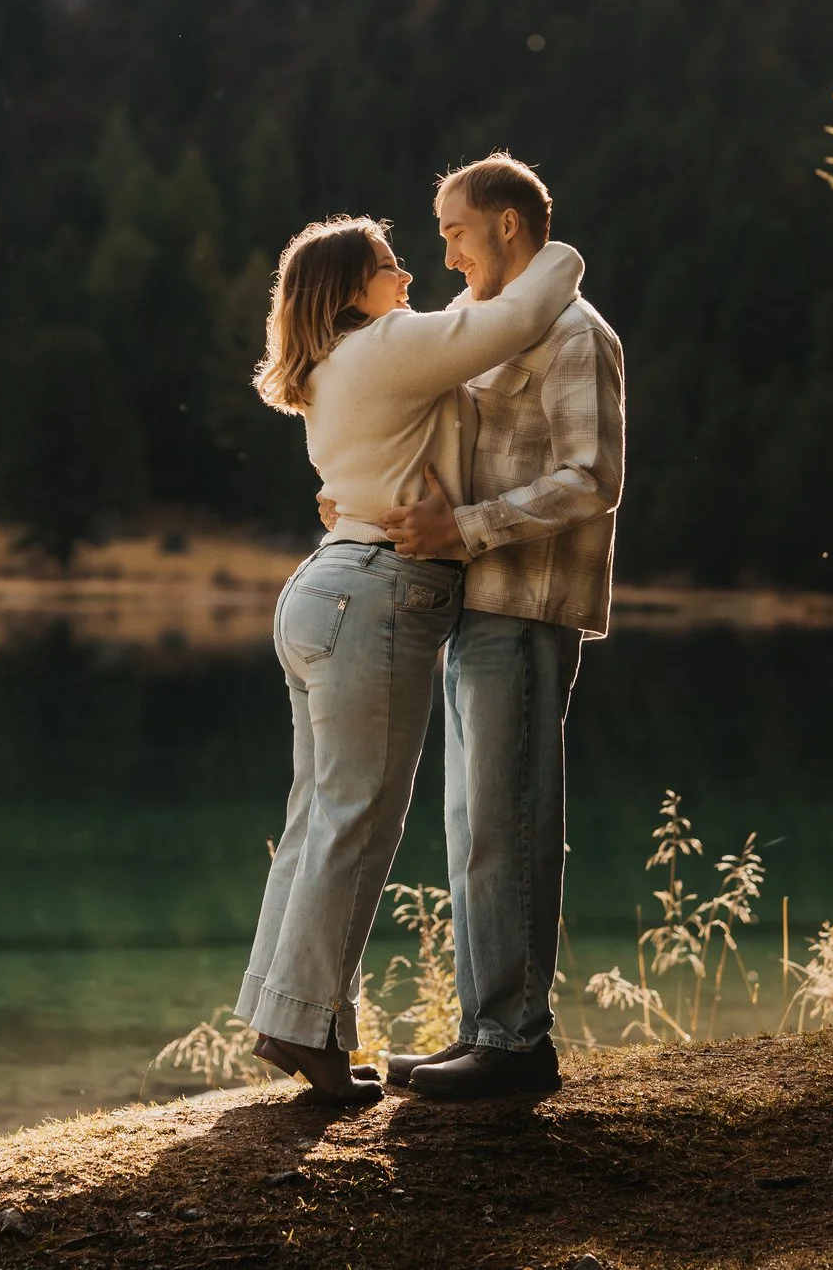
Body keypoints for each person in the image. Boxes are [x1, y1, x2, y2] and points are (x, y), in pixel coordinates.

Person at [238, 213, 585, 1104]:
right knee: (358, 818)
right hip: (376, 594)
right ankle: (307, 1025)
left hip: (326, 589)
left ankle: (285, 1011)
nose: (409, 277)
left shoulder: (331, 365)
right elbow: (514, 318)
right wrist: (562, 252)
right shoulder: (388, 344)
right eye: (391, 265)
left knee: (319, 813)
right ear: (353, 289)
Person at [368, 155, 626, 1102]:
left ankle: (518, 1046)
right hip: (475, 607)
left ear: (507, 224)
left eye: (455, 232)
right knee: (474, 826)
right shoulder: (493, 328)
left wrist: (463, 528)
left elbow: (592, 477)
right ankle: (484, 1029)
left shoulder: (574, 333)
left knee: (510, 821)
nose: (446, 254)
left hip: (526, 607)